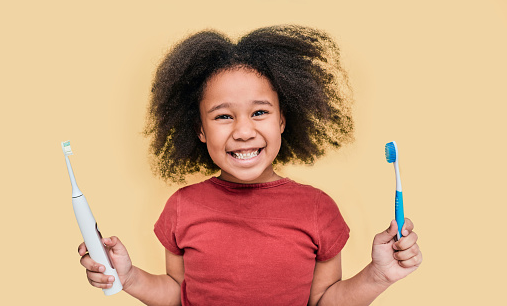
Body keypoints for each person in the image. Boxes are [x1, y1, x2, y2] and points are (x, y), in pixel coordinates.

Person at [78, 25, 422, 305]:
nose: (244, 131)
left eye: (260, 112)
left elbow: (324, 303)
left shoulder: (318, 209)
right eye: (224, 116)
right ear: (199, 129)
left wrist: (379, 275)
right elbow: (177, 296)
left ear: (283, 120)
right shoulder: (182, 208)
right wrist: (128, 277)